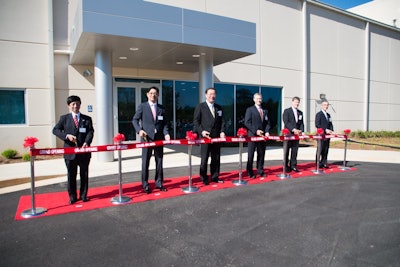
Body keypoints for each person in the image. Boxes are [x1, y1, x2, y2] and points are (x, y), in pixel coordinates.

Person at [53, 95, 94, 204]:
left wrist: (87, 142)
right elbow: (55, 130)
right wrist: (67, 136)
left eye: (77, 103)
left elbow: (90, 132)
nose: (76, 106)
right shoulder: (64, 118)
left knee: (84, 174)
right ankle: (72, 197)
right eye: (73, 104)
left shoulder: (87, 119)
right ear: (69, 106)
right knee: (71, 175)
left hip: (84, 153)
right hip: (70, 153)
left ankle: (84, 195)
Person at [132, 86, 170, 194]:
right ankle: (145, 184)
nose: (153, 95)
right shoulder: (142, 107)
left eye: (155, 93)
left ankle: (159, 183)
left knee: (159, 161)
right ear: (147, 94)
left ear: (158, 95)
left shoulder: (161, 108)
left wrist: (166, 133)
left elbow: (165, 123)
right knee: (145, 162)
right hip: (146, 139)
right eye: (151, 93)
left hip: (158, 139)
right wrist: (139, 130)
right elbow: (134, 120)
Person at [193, 87, 226, 185]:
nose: (212, 96)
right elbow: (196, 121)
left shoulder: (218, 107)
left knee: (216, 158)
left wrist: (222, 131)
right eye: (210, 94)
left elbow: (222, 121)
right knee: (204, 158)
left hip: (216, 137)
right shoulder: (200, 106)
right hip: (205, 137)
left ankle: (215, 176)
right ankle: (203, 178)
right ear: (206, 95)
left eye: (214, 94)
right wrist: (201, 131)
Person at [244, 93, 271, 178]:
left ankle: (260, 170)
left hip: (262, 136)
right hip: (252, 135)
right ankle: (250, 171)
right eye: (257, 98)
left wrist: (267, 131)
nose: (259, 100)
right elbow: (247, 122)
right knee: (251, 154)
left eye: (260, 98)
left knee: (261, 153)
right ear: (254, 99)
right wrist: (256, 131)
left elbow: (267, 123)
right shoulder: (250, 109)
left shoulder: (265, 110)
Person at [282, 96, 304, 172]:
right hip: (288, 134)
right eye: (295, 102)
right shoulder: (287, 111)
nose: (297, 104)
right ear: (292, 102)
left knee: (295, 150)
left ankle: (293, 165)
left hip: (296, 135)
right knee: (287, 150)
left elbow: (301, 123)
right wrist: (293, 129)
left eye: (298, 102)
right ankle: (285, 166)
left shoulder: (300, 113)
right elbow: (286, 122)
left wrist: (301, 131)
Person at [315, 100, 334, 168]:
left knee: (326, 149)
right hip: (321, 135)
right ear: (322, 106)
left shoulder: (328, 115)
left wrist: (331, 130)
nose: (326, 106)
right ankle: (318, 163)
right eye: (325, 105)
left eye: (327, 105)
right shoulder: (318, 114)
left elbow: (330, 123)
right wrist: (325, 130)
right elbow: (317, 124)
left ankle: (324, 162)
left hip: (328, 135)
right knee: (320, 149)